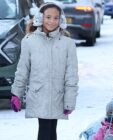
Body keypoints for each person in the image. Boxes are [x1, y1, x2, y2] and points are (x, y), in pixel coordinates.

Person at [10, 2, 79, 140]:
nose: (52, 21)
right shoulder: (29, 41)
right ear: (41, 17)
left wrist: (70, 99)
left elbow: (71, 75)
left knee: (51, 129)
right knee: (45, 128)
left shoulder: (67, 44)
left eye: (55, 18)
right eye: (48, 17)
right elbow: (22, 69)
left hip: (57, 95)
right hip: (38, 94)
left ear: (61, 20)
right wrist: (16, 93)